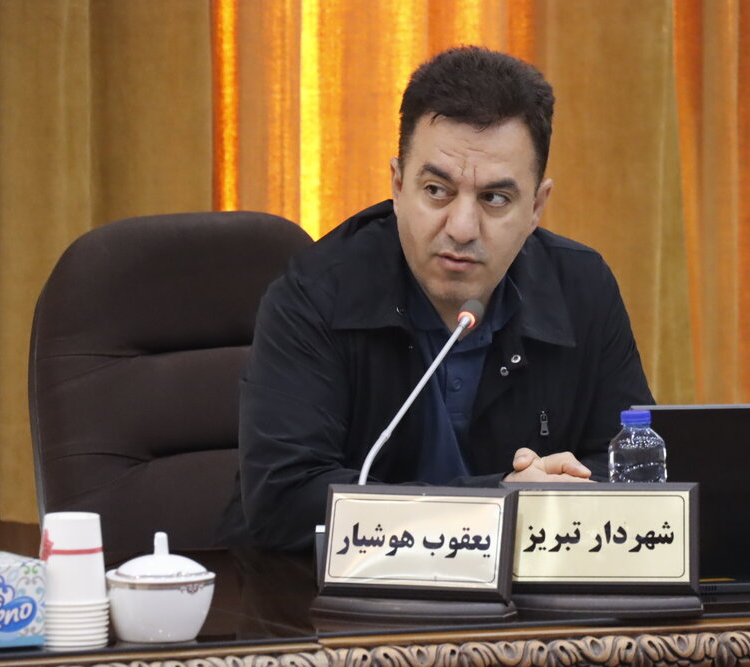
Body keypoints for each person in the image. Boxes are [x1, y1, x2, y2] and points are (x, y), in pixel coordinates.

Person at [227, 46, 654, 551]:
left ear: (537, 207)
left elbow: (635, 471)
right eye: (436, 190)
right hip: (332, 593)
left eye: (495, 199)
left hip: (527, 594)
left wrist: (563, 495)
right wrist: (500, 503)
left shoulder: (581, 288)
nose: (462, 227)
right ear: (397, 184)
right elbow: (285, 500)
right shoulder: (315, 295)